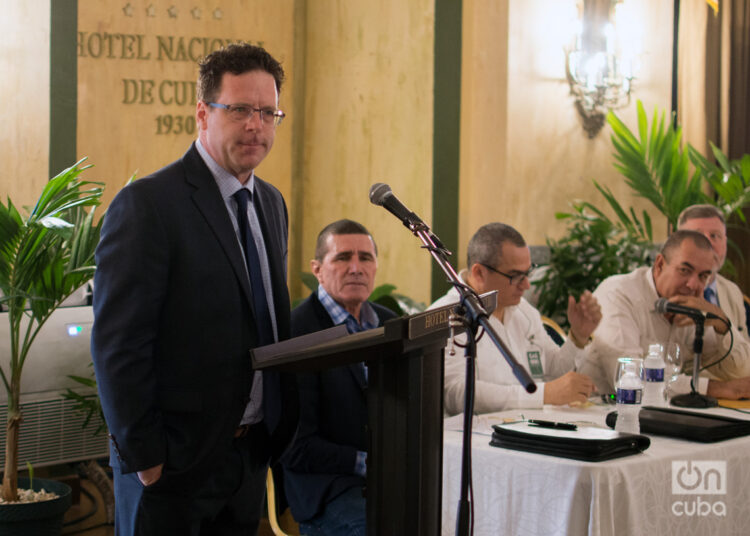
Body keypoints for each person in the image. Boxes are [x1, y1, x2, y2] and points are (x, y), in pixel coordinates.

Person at [91, 43, 298, 535]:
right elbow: (119, 347)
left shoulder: (271, 203)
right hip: (172, 469)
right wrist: (149, 461)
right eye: (241, 110)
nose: (256, 125)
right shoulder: (148, 205)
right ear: (203, 113)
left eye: (268, 113)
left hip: (247, 457)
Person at [281, 219, 396, 536]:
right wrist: (367, 462)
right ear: (317, 269)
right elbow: (296, 447)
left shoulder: (391, 324)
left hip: (387, 478)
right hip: (325, 487)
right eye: (343, 258)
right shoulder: (297, 332)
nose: (356, 268)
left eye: (366, 258)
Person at [429, 222, 600, 415]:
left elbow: (553, 372)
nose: (526, 285)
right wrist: (542, 395)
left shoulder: (523, 311)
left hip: (527, 427)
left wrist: (578, 337)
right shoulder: (445, 316)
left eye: (528, 273)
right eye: (515, 276)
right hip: (473, 437)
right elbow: (455, 394)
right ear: (479, 273)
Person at [592, 229, 750, 399]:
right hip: (598, 413)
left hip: (664, 415)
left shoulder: (694, 310)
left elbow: (741, 373)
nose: (693, 285)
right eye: (685, 270)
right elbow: (628, 377)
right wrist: (715, 388)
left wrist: (721, 322)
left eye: (703, 276)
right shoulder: (618, 293)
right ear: (659, 264)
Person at [678, 204, 749, 338]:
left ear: (725, 242)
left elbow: (745, 354)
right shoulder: (663, 287)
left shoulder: (733, 292)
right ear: (677, 242)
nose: (707, 243)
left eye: (715, 236)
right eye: (698, 235)